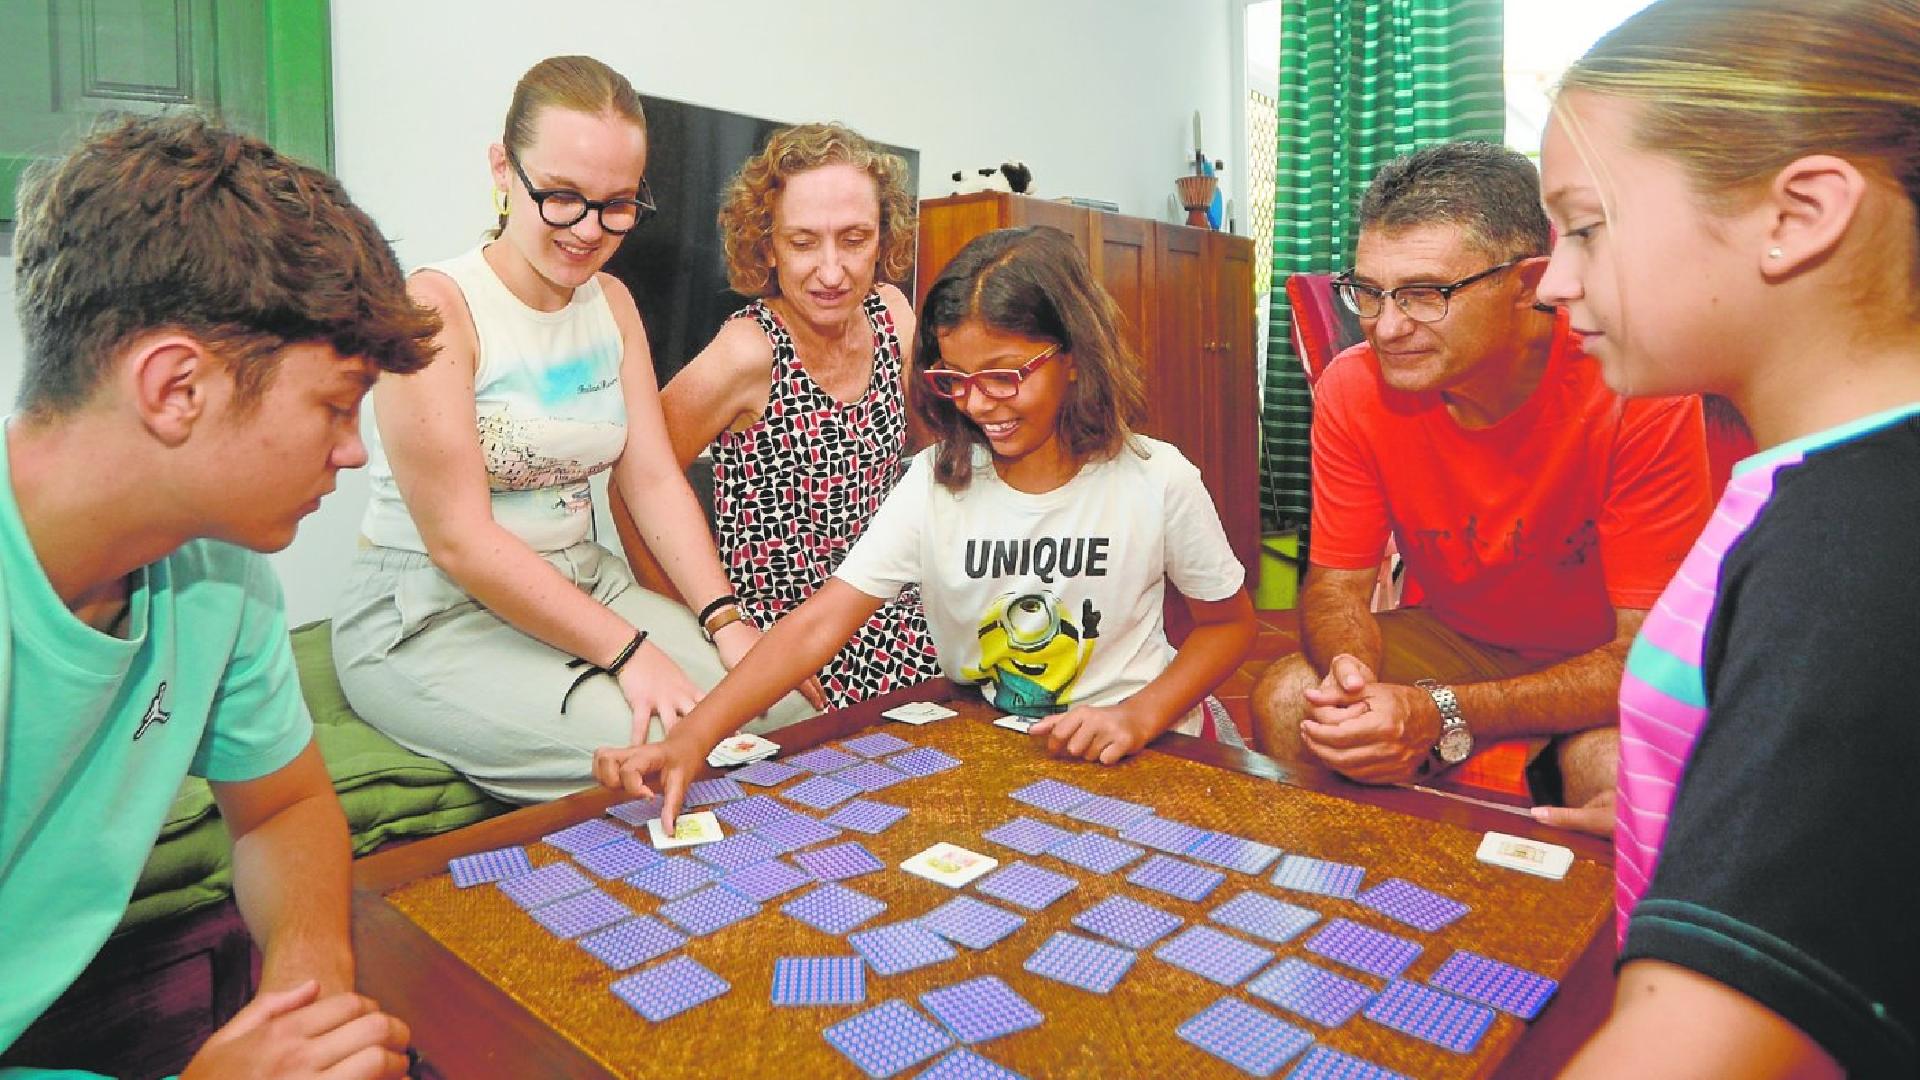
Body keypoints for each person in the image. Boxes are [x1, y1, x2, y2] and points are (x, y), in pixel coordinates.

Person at [0, 113, 429, 1077]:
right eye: (335, 403)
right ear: (176, 387)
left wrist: (305, 1000)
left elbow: (284, 810)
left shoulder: (217, 572)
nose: (355, 449)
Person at [1536, 1, 1919, 1075]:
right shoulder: (1808, 486)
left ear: (1797, 214)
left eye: (1587, 225)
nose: (1555, 279)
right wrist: (1707, 820)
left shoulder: (1853, 546)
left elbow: (1696, 1050)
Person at [596, 225, 1258, 825]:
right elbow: (818, 625)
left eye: (1005, 377)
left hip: (1157, 748)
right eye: (956, 380)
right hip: (1021, 757)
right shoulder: (936, 484)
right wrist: (692, 737)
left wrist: (1137, 716)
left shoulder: (1157, 479)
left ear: (1075, 356)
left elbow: (1229, 626)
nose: (979, 404)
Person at [332, 56, 815, 804]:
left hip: (585, 579)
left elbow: (652, 478)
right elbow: (460, 540)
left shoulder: (612, 303)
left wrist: (727, 623)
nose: (589, 231)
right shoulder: (438, 308)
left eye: (617, 204)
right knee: (673, 758)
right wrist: (628, 653)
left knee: (779, 704)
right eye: (562, 197)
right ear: (502, 168)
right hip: (433, 612)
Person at [1248, 141, 1712, 825]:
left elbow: (1647, 654)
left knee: (1612, 767)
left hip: (1599, 658)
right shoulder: (1354, 389)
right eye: (1368, 293)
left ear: (1530, 284)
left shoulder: (1634, 387)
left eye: (1425, 294)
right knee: (1294, 700)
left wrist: (1439, 713)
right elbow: (1336, 586)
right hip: (1462, 637)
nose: (1386, 327)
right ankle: (1350, 911)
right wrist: (1353, 679)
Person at [660, 122, 941, 709]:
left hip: (887, 614)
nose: (833, 271)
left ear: (884, 237)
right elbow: (634, 490)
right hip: (791, 647)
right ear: (768, 245)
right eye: (804, 242)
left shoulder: (892, 315)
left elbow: (940, 449)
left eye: (855, 239)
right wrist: (700, 626)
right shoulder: (746, 352)